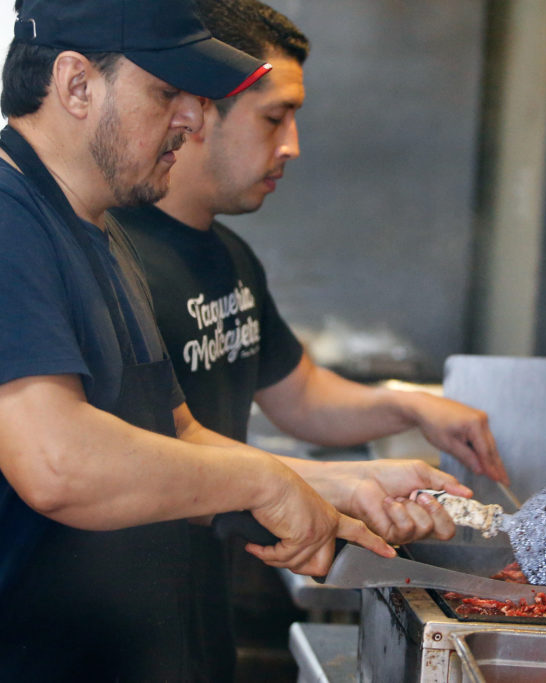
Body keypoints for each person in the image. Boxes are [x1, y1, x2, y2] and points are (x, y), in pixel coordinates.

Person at [0, 1, 472, 680]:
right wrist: (262, 479)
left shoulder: (102, 237)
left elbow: (181, 433)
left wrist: (350, 484)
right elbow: (58, 463)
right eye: (167, 93)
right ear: (77, 85)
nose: (191, 119)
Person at [110, 1, 511, 677]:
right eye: (275, 117)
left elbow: (296, 392)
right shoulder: (117, 261)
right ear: (199, 111)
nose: (292, 145)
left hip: (197, 629)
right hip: (116, 635)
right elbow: (149, 458)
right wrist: (348, 484)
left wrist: (406, 405)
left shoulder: (229, 256)